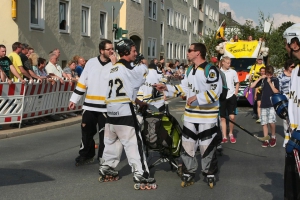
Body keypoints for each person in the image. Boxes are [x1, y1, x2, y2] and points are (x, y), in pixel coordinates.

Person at [154, 43, 222, 188]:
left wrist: (198, 97)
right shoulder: (190, 69)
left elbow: (216, 91)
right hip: (190, 115)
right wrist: (167, 88)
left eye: (190, 50)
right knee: (188, 144)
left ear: (198, 53)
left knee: (206, 145)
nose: (187, 53)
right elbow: (184, 89)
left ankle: (209, 172)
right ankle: (188, 171)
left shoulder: (211, 70)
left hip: (207, 115)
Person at [98, 39, 156, 189]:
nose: (136, 53)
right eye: (134, 51)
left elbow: (125, 88)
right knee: (134, 143)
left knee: (112, 141)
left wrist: (137, 101)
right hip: (124, 110)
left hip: (111, 110)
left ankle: (107, 166)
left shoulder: (113, 68)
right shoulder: (129, 68)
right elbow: (143, 70)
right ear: (125, 52)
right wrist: (142, 63)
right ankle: (140, 173)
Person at [69, 39, 117, 166]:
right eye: (109, 49)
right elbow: (82, 82)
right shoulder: (91, 63)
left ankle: (103, 157)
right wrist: (74, 99)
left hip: (106, 108)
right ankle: (85, 155)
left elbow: (119, 80)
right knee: (86, 132)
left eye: (112, 49)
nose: (112, 51)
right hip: (89, 105)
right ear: (102, 51)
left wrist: (115, 65)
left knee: (105, 135)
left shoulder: (115, 64)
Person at [282, 23, 300, 199]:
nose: (285, 46)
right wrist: (284, 108)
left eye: (287, 42)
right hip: (293, 139)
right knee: (291, 188)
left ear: (295, 43)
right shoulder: (296, 72)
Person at [250, 65, 279, 148]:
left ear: (272, 73)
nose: (268, 76)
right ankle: (266, 139)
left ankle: (273, 137)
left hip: (272, 104)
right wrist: (260, 78)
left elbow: (276, 91)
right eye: (267, 74)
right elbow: (252, 86)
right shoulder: (263, 80)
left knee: (271, 122)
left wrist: (270, 82)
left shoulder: (275, 80)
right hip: (263, 104)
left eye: (270, 74)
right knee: (264, 122)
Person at [219, 56, 239, 144]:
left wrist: (235, 93)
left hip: (231, 96)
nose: (229, 64)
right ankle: (224, 136)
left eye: (230, 63)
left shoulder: (233, 72)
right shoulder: (218, 72)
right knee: (222, 118)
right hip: (222, 96)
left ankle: (230, 133)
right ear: (222, 62)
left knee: (232, 117)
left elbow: (237, 82)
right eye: (227, 63)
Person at [278, 59, 294, 147]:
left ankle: (293, 135)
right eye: (292, 66)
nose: (293, 68)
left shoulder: (295, 75)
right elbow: (279, 88)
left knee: (294, 117)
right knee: (286, 118)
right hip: (285, 97)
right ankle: (287, 136)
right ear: (288, 67)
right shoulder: (281, 76)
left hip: (294, 97)